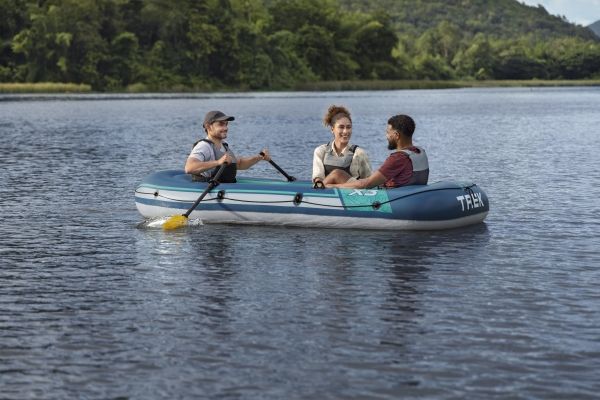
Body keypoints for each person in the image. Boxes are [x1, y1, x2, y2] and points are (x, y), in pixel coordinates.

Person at [324, 114, 429, 189]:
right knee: (337, 173)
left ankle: (319, 192)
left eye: (388, 132)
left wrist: (332, 186)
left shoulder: (398, 158)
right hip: (404, 193)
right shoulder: (419, 151)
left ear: (396, 135)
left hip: (383, 197)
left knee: (335, 176)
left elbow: (366, 184)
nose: (386, 136)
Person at [184, 110, 271, 183]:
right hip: (209, 189)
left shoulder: (224, 145)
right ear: (208, 127)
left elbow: (239, 164)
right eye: (221, 124)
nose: (225, 128)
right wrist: (218, 162)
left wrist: (260, 157)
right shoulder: (204, 146)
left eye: (226, 124)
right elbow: (189, 167)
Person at [312, 105, 372, 188]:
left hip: (352, 193)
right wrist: (319, 183)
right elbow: (318, 177)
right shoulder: (320, 151)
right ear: (332, 129)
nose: (345, 131)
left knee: (337, 174)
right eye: (341, 127)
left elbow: (369, 182)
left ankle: (323, 187)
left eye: (348, 127)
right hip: (327, 193)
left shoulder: (359, 153)